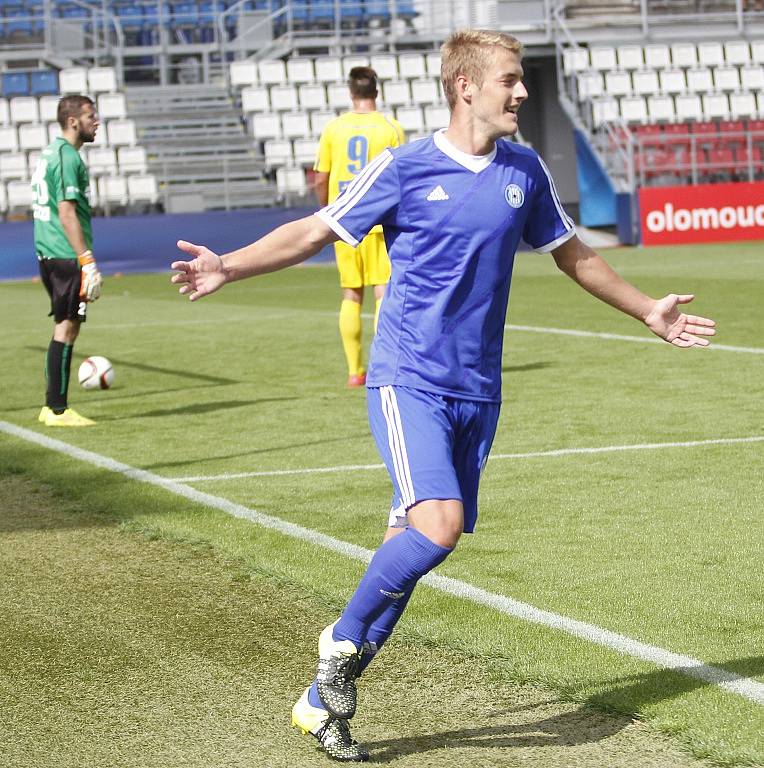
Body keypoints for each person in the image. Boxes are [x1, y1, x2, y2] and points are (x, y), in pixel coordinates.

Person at [170, 29, 716, 762]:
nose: (521, 93)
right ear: (466, 86)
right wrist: (228, 267)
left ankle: (318, 704)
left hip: (479, 392)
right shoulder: (404, 167)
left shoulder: (524, 170)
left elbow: (575, 257)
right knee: (438, 528)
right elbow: (314, 230)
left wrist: (648, 308)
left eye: (520, 82)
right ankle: (335, 642)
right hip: (408, 380)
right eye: (509, 81)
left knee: (411, 552)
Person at [314, 66, 405, 388]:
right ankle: (383, 366)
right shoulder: (390, 127)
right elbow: (402, 174)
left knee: (351, 295)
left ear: (351, 93)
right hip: (380, 223)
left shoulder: (333, 129)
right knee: (383, 292)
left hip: (345, 223)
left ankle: (355, 371)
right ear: (376, 92)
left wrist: (327, 212)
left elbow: (322, 177)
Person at [32, 94, 102, 427]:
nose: (96, 121)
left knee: (67, 325)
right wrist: (86, 259)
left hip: (51, 252)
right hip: (65, 254)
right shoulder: (67, 157)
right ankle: (56, 408)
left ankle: (53, 406)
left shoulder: (50, 154)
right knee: (67, 326)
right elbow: (66, 212)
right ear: (73, 121)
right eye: (91, 116)